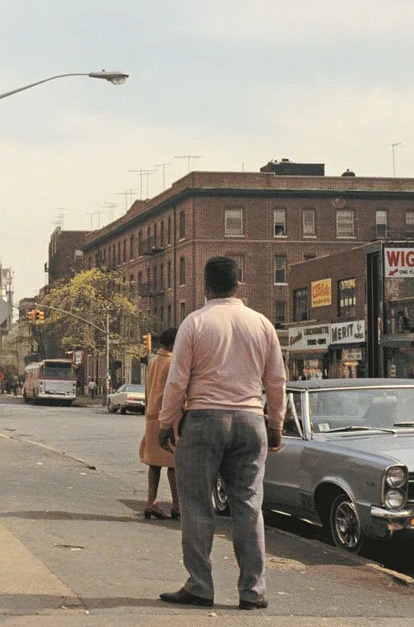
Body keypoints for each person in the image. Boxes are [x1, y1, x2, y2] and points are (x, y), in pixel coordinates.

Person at [157, 256, 286, 611]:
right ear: (238, 285)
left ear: (205, 285)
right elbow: (276, 380)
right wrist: (276, 423)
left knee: (197, 504)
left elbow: (177, 379)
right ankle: (253, 591)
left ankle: (200, 585)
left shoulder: (195, 323)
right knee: (248, 505)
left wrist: (165, 422)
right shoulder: (261, 324)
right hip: (250, 419)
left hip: (203, 419)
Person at [139, 328, 178, 520]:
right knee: (173, 464)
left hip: (152, 415)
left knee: (154, 464)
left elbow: (147, 390)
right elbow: (176, 391)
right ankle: (177, 505)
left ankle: (151, 503)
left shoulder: (154, 362)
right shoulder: (173, 363)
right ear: (174, 343)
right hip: (169, 418)